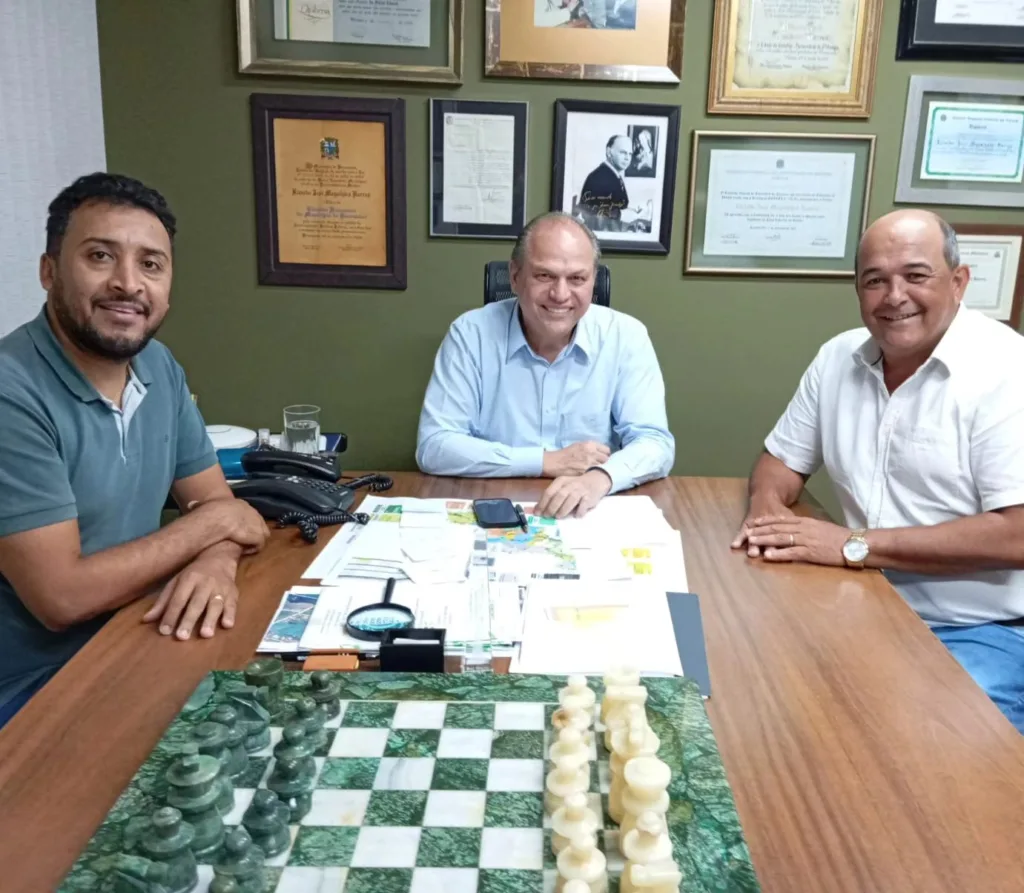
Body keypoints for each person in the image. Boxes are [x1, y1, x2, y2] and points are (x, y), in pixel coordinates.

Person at [732, 208, 1024, 734]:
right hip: (857, 602)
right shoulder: (838, 357)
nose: (894, 296)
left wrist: (851, 545)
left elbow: (1016, 533)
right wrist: (767, 514)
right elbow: (779, 461)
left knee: (926, 754)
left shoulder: (1007, 370)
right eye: (875, 280)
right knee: (752, 699)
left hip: (978, 628)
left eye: (916, 275)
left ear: (959, 282)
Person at [0, 172, 270, 728]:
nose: (128, 283)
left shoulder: (158, 367)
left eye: (151, 264)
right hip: (34, 690)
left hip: (138, 634)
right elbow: (62, 598)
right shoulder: (11, 392)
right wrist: (210, 529)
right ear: (49, 271)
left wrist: (217, 565)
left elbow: (216, 506)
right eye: (100, 256)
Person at [415, 211, 674, 519]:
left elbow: (655, 443)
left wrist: (599, 478)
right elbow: (434, 446)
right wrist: (543, 461)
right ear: (514, 276)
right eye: (544, 276)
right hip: (492, 506)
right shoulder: (471, 334)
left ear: (594, 281)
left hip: (590, 511)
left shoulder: (626, 337)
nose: (560, 294)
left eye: (577, 278)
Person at [577, 135, 632, 231]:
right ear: (609, 152)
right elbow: (594, 215)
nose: (627, 158)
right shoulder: (599, 178)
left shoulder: (612, 174)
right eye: (623, 152)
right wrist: (622, 214)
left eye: (630, 154)